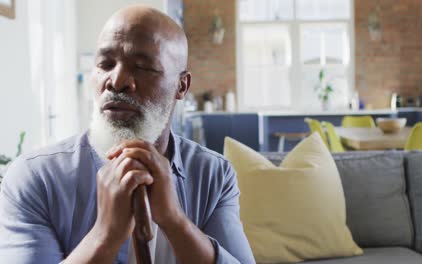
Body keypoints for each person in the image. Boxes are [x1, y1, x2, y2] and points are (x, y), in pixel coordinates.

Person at [0, 5, 255, 264]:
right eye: (105, 64)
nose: (117, 80)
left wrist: (174, 221)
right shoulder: (36, 179)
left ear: (181, 85)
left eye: (143, 67)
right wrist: (105, 236)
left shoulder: (213, 175)